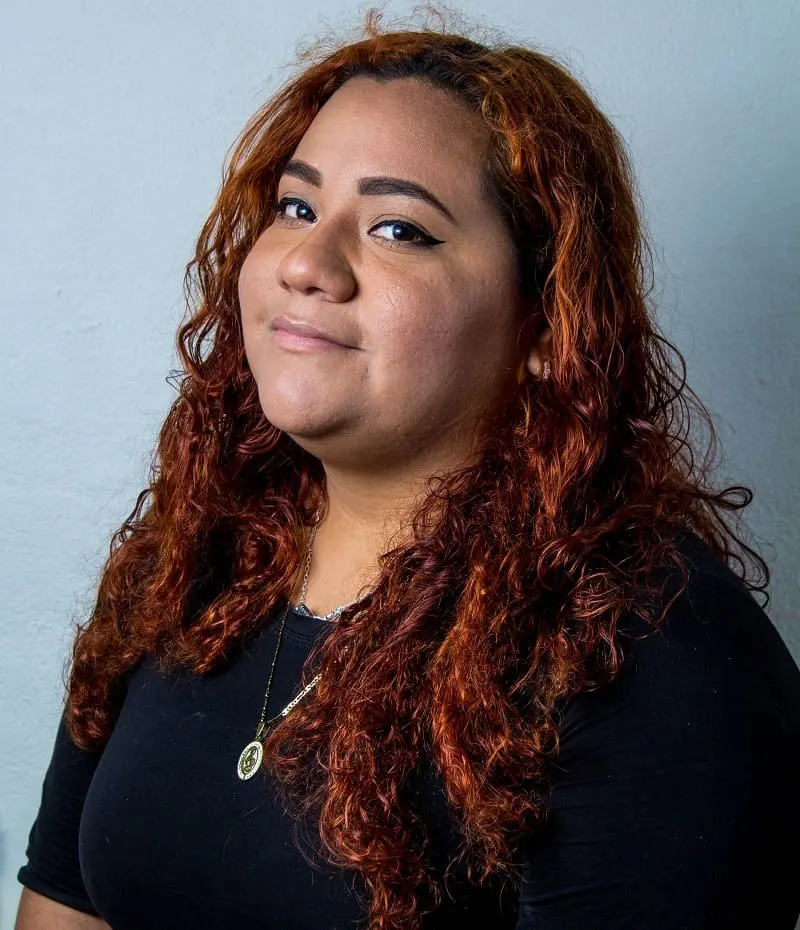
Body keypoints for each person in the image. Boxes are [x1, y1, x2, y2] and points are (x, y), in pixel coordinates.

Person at [15, 9, 800, 930]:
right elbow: (61, 907)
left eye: (400, 230)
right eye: (297, 208)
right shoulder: (186, 562)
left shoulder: (649, 649)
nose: (308, 261)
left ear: (547, 327)